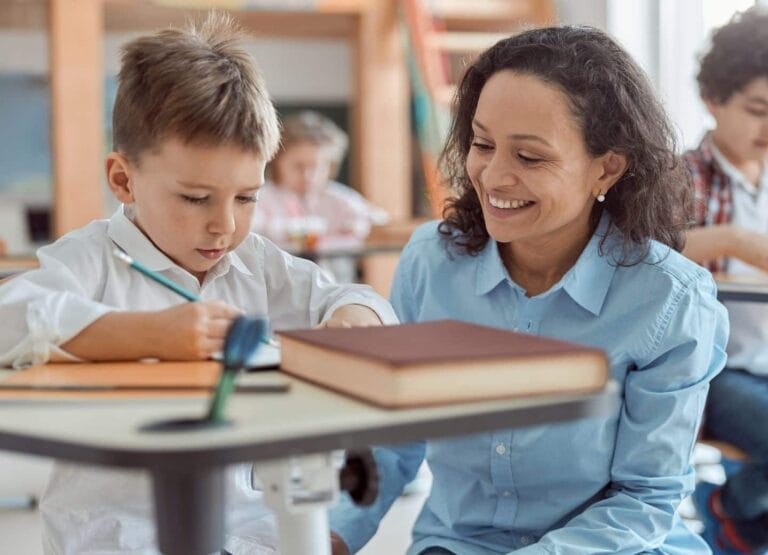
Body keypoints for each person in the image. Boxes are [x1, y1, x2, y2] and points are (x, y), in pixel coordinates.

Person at [0, 13, 396, 555]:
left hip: (253, 533)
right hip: (119, 538)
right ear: (123, 180)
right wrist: (146, 335)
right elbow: (9, 318)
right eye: (195, 198)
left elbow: (355, 298)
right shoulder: (91, 259)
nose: (225, 225)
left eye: (247, 197)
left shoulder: (256, 262)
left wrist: (354, 320)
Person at [329, 25, 729, 555]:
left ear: (606, 168)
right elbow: (389, 441)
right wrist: (326, 536)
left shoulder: (671, 300)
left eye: (530, 157)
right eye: (483, 144)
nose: (493, 176)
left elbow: (645, 496)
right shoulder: (432, 262)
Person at [682, 7, 768, 554]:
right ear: (714, 99)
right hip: (719, 372)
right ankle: (733, 510)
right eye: (758, 110)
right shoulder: (682, 177)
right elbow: (638, 254)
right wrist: (733, 240)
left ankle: (735, 513)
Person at [252, 110, 388, 282]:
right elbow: (254, 230)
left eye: (316, 167)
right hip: (276, 287)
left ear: (330, 166)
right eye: (298, 166)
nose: (307, 175)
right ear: (277, 161)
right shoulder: (262, 196)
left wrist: (357, 227)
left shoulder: (338, 197)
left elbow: (378, 221)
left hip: (336, 287)